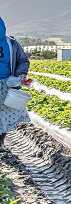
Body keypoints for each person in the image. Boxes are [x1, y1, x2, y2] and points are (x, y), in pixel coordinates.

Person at [0, 16, 31, 152]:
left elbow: (23, 61)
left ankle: (0, 142)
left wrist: (20, 74)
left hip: (6, 83)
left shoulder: (11, 44)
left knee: (5, 113)